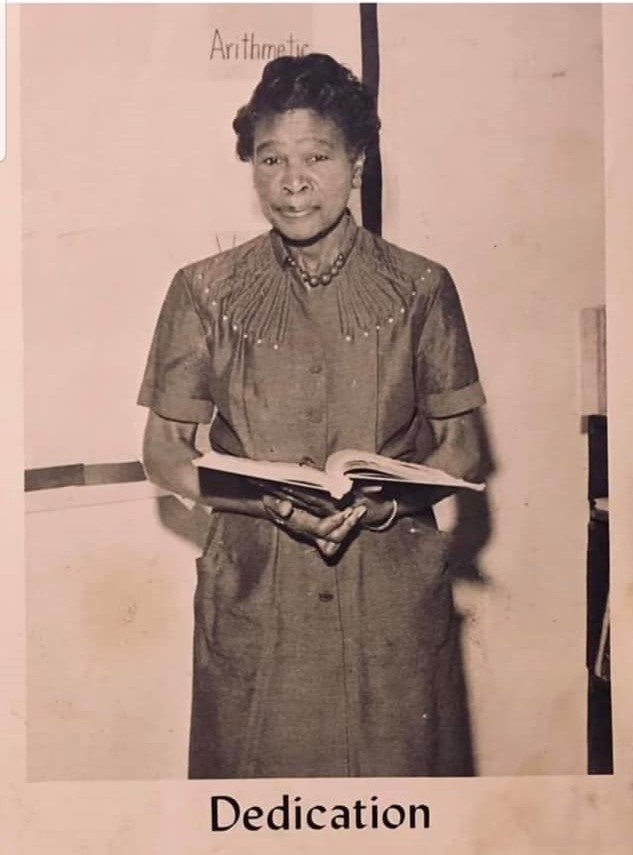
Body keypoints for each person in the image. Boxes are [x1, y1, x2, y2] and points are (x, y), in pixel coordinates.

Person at [138, 53, 487, 778]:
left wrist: (382, 500)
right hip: (256, 594)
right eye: (271, 159)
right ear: (253, 169)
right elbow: (165, 451)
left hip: (389, 604)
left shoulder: (421, 287)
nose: (293, 181)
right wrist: (263, 501)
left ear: (355, 161)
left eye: (316, 157)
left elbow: (464, 447)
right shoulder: (202, 290)